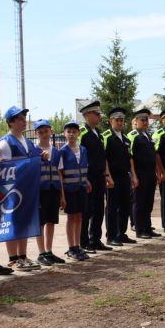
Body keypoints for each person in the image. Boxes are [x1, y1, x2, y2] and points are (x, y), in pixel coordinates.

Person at [0, 106, 41, 271]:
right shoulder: (5, 143)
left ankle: (23, 256)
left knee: (25, 222)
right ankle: (13, 258)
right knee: (13, 222)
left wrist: (41, 157)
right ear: (11, 122)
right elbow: (7, 169)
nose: (24, 121)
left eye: (24, 118)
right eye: (21, 119)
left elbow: (34, 157)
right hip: (12, 191)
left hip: (27, 189)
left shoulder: (27, 141)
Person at [78, 100, 114, 253]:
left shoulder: (98, 133)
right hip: (87, 176)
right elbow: (78, 155)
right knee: (86, 210)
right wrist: (83, 177)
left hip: (99, 176)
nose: (99, 117)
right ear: (87, 115)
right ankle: (83, 242)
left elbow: (103, 156)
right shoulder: (82, 133)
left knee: (98, 209)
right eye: (96, 114)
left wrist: (107, 174)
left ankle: (95, 239)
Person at [33, 119, 65, 266]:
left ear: (51, 131)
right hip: (40, 191)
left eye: (46, 130)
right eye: (40, 131)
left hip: (54, 190)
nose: (43, 133)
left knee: (51, 221)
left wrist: (62, 195)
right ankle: (41, 253)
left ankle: (49, 251)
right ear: (36, 133)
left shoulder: (57, 152)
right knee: (41, 222)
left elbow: (59, 173)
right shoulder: (33, 151)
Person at [59, 120, 92, 261]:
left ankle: (77, 246)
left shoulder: (83, 150)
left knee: (79, 217)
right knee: (71, 217)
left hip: (81, 188)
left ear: (78, 133)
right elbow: (60, 172)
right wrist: (62, 194)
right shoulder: (62, 151)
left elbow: (84, 168)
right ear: (64, 134)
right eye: (69, 131)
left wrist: (87, 181)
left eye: (74, 131)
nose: (71, 134)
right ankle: (71, 247)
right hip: (69, 189)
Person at [102, 107, 134, 246]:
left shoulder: (126, 139)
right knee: (112, 206)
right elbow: (104, 158)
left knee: (125, 206)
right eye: (117, 120)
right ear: (111, 121)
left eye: (122, 120)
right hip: (112, 176)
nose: (120, 123)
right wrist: (107, 176)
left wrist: (133, 176)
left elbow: (129, 158)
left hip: (124, 176)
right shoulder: (106, 136)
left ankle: (121, 233)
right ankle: (111, 235)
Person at [127, 109, 159, 240]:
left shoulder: (148, 136)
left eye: (146, 120)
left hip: (150, 173)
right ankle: (139, 229)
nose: (145, 122)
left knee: (148, 202)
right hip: (139, 173)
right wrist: (134, 175)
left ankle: (147, 227)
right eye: (142, 120)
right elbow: (130, 157)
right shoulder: (133, 136)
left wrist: (156, 173)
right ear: (136, 121)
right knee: (139, 202)